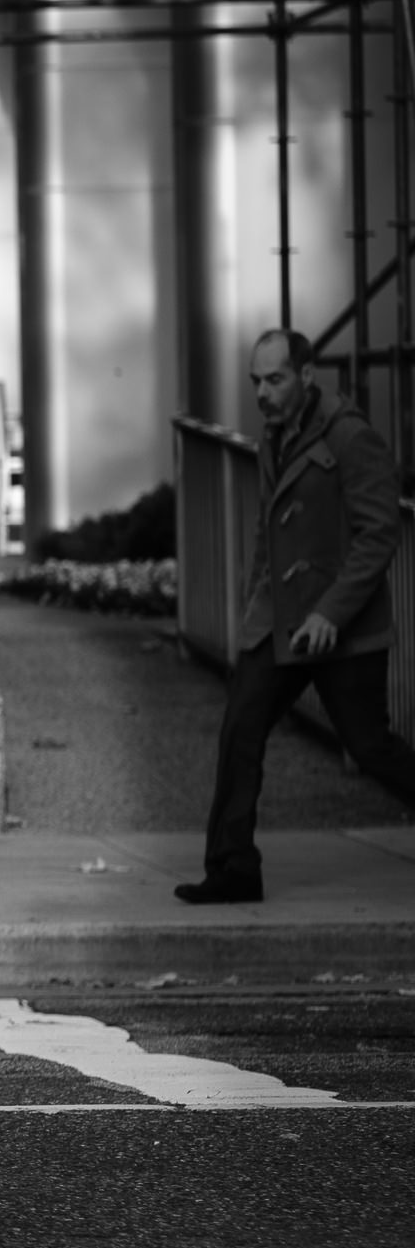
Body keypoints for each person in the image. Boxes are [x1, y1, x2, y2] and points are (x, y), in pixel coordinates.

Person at [182, 328, 415, 904]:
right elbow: (269, 530)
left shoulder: (350, 436)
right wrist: (254, 607)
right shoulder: (274, 436)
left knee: (370, 747)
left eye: (275, 379)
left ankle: (233, 865)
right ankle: (234, 868)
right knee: (241, 728)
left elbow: (380, 531)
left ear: (307, 376)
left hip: (343, 627)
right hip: (283, 623)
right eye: (256, 381)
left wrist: (332, 612)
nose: (262, 392)